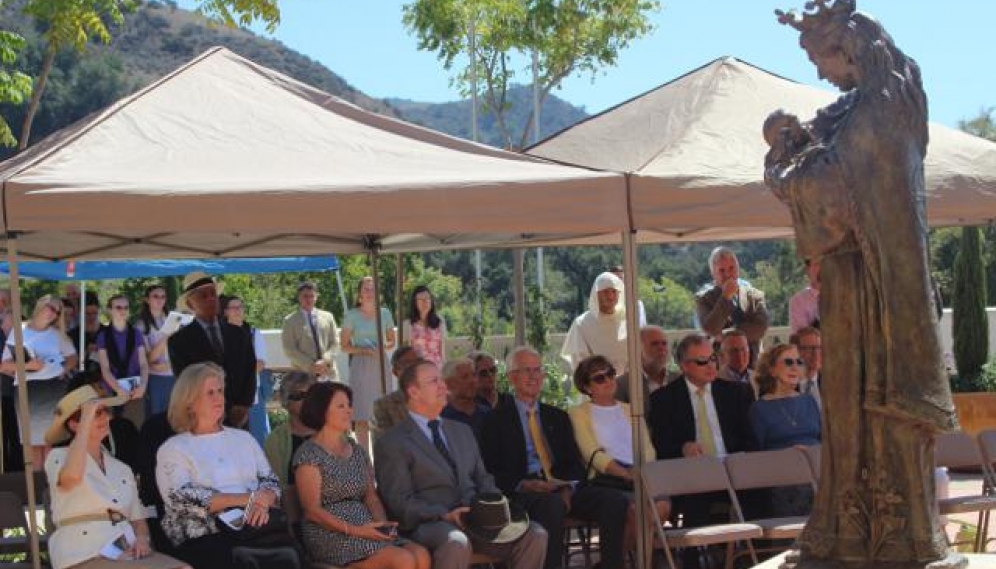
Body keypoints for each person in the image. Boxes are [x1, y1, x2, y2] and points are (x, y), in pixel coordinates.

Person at [767, 3, 958, 563]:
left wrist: (784, 167)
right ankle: (855, 530)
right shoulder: (875, 104)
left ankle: (886, 536)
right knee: (851, 405)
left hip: (872, 288)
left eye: (820, 60)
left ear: (846, 48)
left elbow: (831, 192)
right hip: (861, 281)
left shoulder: (878, 113)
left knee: (868, 406)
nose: (821, 74)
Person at [374, 359, 547, 569]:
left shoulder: (462, 431)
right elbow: (399, 501)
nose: (443, 386)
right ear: (414, 392)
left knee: (535, 535)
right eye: (434, 381)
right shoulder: (393, 442)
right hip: (431, 524)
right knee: (457, 542)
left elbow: (483, 479)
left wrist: (496, 509)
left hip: (478, 520)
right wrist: (443, 514)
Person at [479, 347, 630, 569]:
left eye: (537, 370)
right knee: (552, 506)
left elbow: (574, 461)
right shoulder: (495, 421)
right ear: (512, 378)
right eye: (526, 370)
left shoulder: (557, 416)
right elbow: (491, 470)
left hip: (561, 487)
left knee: (615, 501)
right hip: (523, 492)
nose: (533, 376)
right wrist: (524, 484)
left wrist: (568, 486)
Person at [155, 363, 300, 569]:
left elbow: (269, 480)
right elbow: (181, 499)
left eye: (220, 391)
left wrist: (265, 498)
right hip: (206, 534)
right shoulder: (174, 448)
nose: (218, 397)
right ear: (189, 402)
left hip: (255, 526)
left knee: (288, 554)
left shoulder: (244, 439)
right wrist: (247, 499)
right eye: (210, 392)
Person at [44, 384, 188, 569]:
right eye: (95, 413)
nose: (105, 417)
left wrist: (142, 540)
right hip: (81, 552)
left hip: (125, 548)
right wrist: (86, 423)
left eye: (104, 411)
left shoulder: (121, 468)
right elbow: (70, 478)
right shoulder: (58, 456)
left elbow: (138, 519)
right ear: (74, 424)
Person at [294, 381, 431, 569]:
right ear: (321, 411)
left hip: (367, 528)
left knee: (421, 555)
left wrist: (382, 525)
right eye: (341, 406)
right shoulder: (309, 454)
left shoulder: (357, 450)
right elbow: (312, 511)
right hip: (331, 534)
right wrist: (356, 530)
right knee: (402, 560)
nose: (349, 411)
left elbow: (370, 497)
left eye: (349, 405)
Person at [647, 333, 756, 566]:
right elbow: (661, 447)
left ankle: (755, 560)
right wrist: (682, 448)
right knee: (696, 496)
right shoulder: (664, 400)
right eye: (702, 361)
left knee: (761, 492)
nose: (711, 366)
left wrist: (740, 460)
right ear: (684, 366)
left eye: (713, 358)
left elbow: (750, 440)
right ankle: (693, 562)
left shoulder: (736, 393)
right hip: (692, 476)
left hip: (733, 470)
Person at [569, 355, 670, 561]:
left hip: (640, 476)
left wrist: (642, 472)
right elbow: (592, 453)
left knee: (662, 506)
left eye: (610, 374)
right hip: (607, 480)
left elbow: (647, 449)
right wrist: (624, 473)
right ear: (587, 387)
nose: (608, 380)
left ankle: (616, 562)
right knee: (633, 511)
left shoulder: (631, 410)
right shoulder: (578, 413)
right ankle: (642, 562)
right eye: (599, 378)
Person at [168, 272, 256, 428]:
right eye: (203, 296)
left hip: (239, 416)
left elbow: (250, 369)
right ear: (190, 304)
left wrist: (243, 405)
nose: (210, 299)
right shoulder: (179, 342)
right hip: (203, 417)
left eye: (212, 294)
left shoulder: (239, 333)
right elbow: (186, 381)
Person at [749, 344, 821, 518]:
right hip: (783, 476)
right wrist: (789, 455)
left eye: (799, 362)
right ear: (772, 370)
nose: (795, 367)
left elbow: (822, 440)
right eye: (788, 362)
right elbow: (756, 454)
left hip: (817, 470)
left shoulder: (808, 401)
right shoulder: (759, 409)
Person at [1, 295, 78, 448]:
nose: (54, 313)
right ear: (40, 304)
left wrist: (64, 369)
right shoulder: (19, 329)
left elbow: (73, 358)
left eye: (57, 311)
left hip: (54, 389)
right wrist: (29, 366)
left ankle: (48, 473)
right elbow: (4, 366)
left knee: (51, 442)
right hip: (27, 390)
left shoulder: (57, 334)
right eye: (51, 307)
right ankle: (35, 473)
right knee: (32, 446)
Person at [341, 276, 396, 451]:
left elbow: (391, 342)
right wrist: (363, 350)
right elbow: (344, 346)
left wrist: (382, 347)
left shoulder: (385, 313)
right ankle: (365, 458)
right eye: (366, 289)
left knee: (382, 412)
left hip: (381, 365)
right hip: (360, 365)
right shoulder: (351, 315)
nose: (370, 292)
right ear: (359, 294)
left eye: (373, 289)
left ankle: (383, 453)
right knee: (362, 414)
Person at [694, 247, 769, 365]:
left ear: (738, 268)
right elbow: (710, 329)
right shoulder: (704, 299)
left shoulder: (754, 296)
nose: (728, 274)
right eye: (722, 271)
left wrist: (724, 334)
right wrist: (725, 297)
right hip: (720, 367)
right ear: (713, 273)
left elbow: (760, 328)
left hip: (752, 364)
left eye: (731, 268)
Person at [221, 295, 270, 445]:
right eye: (233, 307)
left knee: (258, 437)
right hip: (227, 395)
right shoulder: (219, 335)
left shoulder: (254, 333)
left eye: (240, 307)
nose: (237, 311)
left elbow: (260, 363)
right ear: (225, 312)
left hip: (251, 394)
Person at [96, 294, 149, 429]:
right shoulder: (103, 336)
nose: (122, 310)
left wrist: (142, 386)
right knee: (111, 430)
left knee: (135, 428)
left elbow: (143, 363)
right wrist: (118, 389)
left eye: (125, 307)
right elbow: (105, 369)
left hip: (135, 390)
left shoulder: (136, 333)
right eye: (118, 307)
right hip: (112, 391)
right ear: (110, 310)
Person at [561, 272, 628, 373]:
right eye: (605, 292)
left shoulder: (628, 320)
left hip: (629, 383)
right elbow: (579, 361)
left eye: (614, 291)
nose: (610, 296)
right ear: (596, 294)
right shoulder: (582, 323)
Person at [263, 370, 317, 489]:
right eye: (299, 396)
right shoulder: (276, 441)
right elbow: (276, 487)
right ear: (286, 401)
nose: (307, 400)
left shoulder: (333, 432)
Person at [281, 282, 339, 380]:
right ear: (299, 298)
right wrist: (311, 365)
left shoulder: (328, 317)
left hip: (328, 371)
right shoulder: (290, 321)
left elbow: (336, 342)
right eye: (305, 296)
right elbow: (289, 349)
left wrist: (325, 360)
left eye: (312, 296)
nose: (309, 299)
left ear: (316, 296)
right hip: (303, 374)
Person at [135, 284, 176, 417]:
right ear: (147, 300)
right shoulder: (141, 325)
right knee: (157, 417)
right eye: (155, 296)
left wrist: (173, 364)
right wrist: (166, 335)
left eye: (163, 296)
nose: (160, 300)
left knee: (175, 416)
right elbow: (150, 359)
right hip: (156, 378)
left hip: (176, 375)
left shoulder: (173, 319)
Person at [615, 325, 676, 404]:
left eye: (664, 343)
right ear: (638, 349)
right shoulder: (622, 385)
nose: (661, 348)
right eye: (654, 344)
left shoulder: (679, 379)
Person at [371, 346, 421, 433]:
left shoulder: (437, 399)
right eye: (407, 363)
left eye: (418, 362)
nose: (414, 367)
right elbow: (384, 443)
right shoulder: (383, 406)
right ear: (395, 371)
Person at [439, 357, 491, 437]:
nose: (472, 381)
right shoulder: (441, 417)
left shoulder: (488, 414)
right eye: (465, 377)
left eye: (473, 375)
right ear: (449, 383)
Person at [403, 285, 447, 367]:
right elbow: (406, 352)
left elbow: (442, 350)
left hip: (437, 367)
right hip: (418, 369)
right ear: (415, 302)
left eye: (428, 298)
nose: (425, 301)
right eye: (421, 299)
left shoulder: (440, 321)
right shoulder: (408, 324)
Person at [790, 327, 822, 411]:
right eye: (809, 348)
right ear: (795, 351)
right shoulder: (786, 383)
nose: (816, 353)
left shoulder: (831, 382)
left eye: (819, 347)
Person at [717, 330, 757, 396]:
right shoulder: (716, 381)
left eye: (743, 349)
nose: (739, 355)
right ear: (723, 355)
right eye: (733, 350)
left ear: (749, 351)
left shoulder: (759, 378)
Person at [68, 292, 102, 368]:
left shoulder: (108, 332)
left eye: (95, 313)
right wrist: (86, 352)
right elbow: (69, 364)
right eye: (87, 313)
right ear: (80, 312)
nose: (92, 317)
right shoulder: (72, 335)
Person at [789, 259, 821, 332]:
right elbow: (803, 337)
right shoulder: (798, 302)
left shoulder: (844, 296)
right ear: (807, 270)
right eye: (817, 264)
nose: (823, 267)